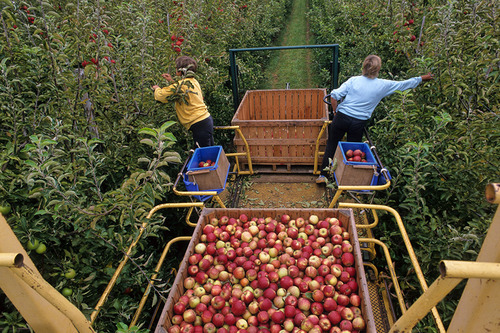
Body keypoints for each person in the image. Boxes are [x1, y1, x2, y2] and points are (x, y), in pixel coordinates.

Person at [316, 54, 433, 184]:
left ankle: (323, 176)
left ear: (364, 66)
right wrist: (422, 78)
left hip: (342, 117)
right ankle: (345, 181)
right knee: (353, 153)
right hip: (358, 122)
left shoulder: (354, 80)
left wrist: (335, 111)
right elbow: (404, 84)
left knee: (332, 145)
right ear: (378, 69)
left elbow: (334, 95)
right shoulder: (383, 85)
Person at [152, 56, 214, 147]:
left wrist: (157, 89)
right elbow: (181, 88)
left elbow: (161, 96)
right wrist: (171, 81)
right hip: (204, 120)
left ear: (180, 71)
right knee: (208, 152)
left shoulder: (180, 85)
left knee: (204, 154)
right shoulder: (192, 81)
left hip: (199, 123)